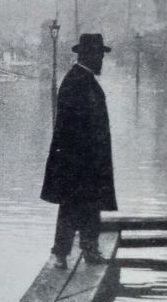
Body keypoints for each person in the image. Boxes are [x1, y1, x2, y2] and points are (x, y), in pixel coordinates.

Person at [41, 33, 117, 268]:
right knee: (75, 205)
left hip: (83, 160)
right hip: (79, 161)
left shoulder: (82, 79)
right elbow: (72, 127)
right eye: (99, 55)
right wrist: (86, 159)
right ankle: (68, 252)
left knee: (80, 205)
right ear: (87, 55)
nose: (101, 60)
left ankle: (80, 249)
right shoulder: (78, 81)